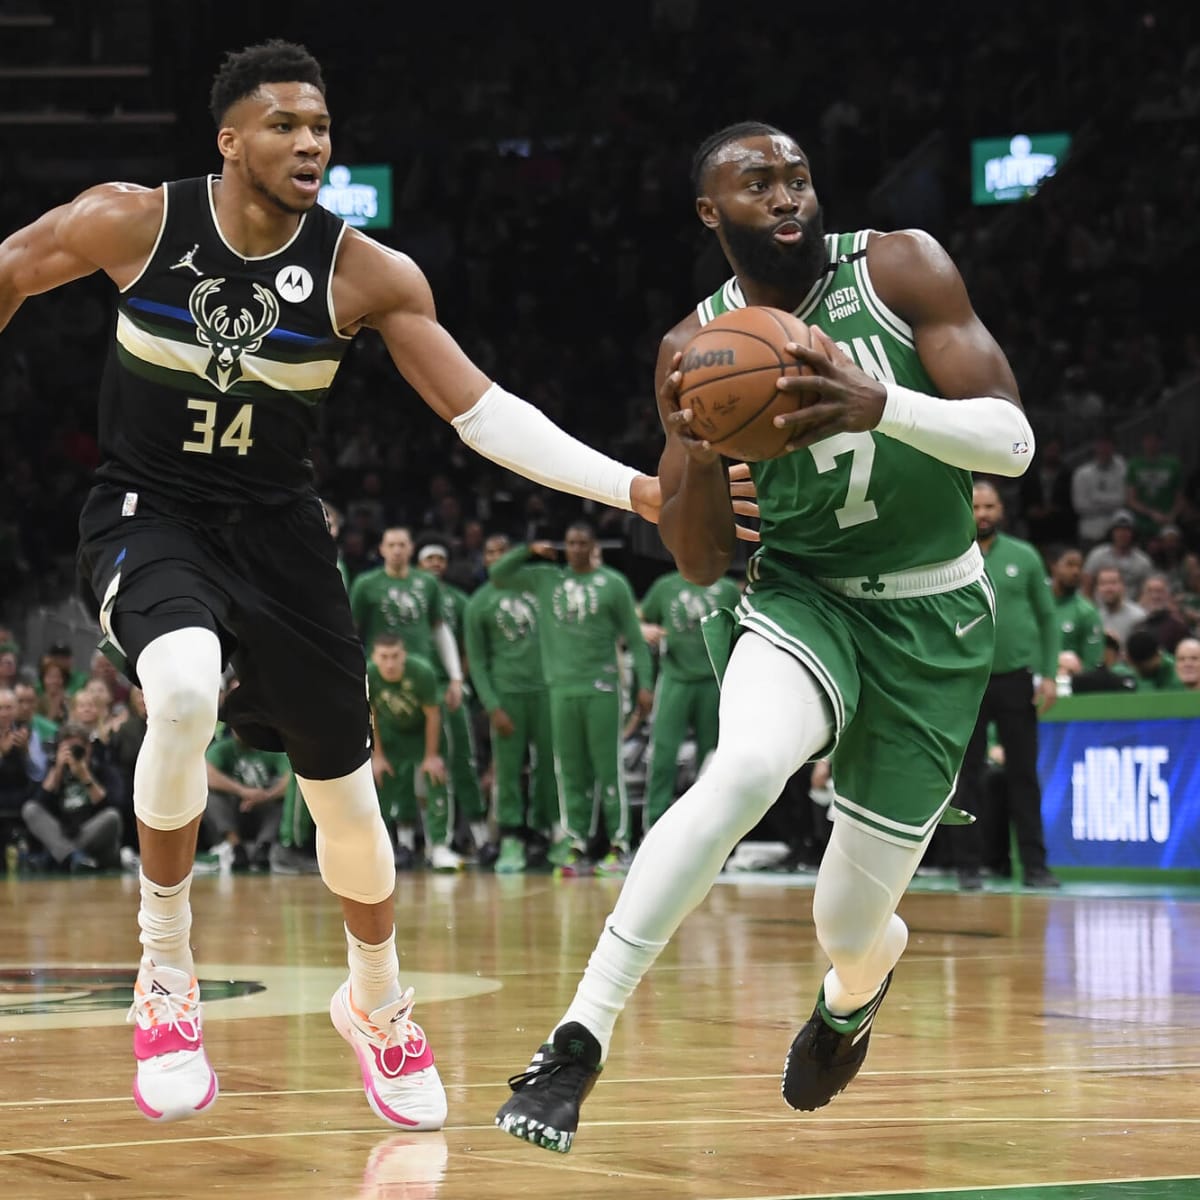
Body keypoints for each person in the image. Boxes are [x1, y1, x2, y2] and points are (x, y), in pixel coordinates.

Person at [0, 39, 663, 1128]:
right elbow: (15, 268)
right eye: (283, 125)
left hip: (283, 541)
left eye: (320, 128)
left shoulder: (366, 273)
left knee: (346, 802)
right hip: (148, 514)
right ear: (229, 140)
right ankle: (164, 975)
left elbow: (481, 413)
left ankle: (378, 1003)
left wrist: (633, 489)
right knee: (178, 689)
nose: (309, 143)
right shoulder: (135, 221)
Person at [495, 120, 1034, 1153]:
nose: (787, 195)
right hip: (804, 598)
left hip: (934, 617)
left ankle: (852, 995)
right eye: (758, 183)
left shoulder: (900, 266)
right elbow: (698, 560)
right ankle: (576, 1041)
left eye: (796, 177)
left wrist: (880, 407)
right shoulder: (693, 347)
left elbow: (1013, 440)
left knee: (848, 925)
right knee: (740, 770)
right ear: (712, 213)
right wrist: (693, 447)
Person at [488, 524, 654, 875]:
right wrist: (529, 550)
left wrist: (645, 683)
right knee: (569, 771)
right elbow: (499, 575)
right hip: (560, 689)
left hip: (602, 688)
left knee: (607, 768)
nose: (576, 548)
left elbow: (636, 639)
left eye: (583, 543)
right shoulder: (546, 578)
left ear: (593, 546)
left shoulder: (613, 583)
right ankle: (576, 842)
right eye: (571, 543)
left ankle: (618, 843)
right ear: (565, 547)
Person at [952, 481, 1059, 892]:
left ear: (1002, 510)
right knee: (968, 775)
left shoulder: (1025, 555)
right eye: (976, 506)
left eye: (990, 506)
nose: (983, 513)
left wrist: (1048, 674)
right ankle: (968, 866)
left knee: (1023, 774)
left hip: (1016, 679)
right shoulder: (950, 555)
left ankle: (1035, 865)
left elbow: (1048, 618)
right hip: (967, 680)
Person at [463, 533, 556, 874]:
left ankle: (546, 829)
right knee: (508, 769)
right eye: (492, 552)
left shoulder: (537, 586)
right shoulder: (479, 603)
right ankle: (511, 836)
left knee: (548, 764)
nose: (498, 557)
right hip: (506, 696)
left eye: (504, 550)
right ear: (484, 559)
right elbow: (476, 659)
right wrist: (491, 704)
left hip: (545, 691)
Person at [638, 568, 741, 828]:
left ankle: (713, 828)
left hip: (714, 681)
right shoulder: (665, 585)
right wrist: (643, 628)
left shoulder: (727, 588)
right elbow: (636, 620)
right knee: (662, 755)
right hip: (675, 679)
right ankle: (653, 828)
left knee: (714, 760)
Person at [415, 541, 488, 858]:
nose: (434, 563)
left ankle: (479, 837)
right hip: (411, 688)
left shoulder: (459, 601)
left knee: (460, 762)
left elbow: (467, 647)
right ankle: (416, 841)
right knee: (410, 769)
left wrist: (458, 680)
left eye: (440, 558)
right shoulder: (408, 594)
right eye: (429, 558)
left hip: (448, 689)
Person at [367, 635, 452, 870]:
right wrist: (378, 756)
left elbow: (433, 715)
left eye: (395, 656)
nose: (390, 664)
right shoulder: (369, 675)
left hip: (422, 733)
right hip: (391, 734)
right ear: (375, 658)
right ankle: (396, 846)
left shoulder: (422, 672)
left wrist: (431, 756)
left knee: (435, 777)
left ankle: (439, 846)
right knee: (385, 778)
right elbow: (370, 714)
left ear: (404, 655)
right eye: (384, 657)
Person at [21, 720, 123, 871]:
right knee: (30, 809)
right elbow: (41, 805)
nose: (74, 752)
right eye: (68, 748)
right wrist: (57, 771)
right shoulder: (54, 770)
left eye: (78, 747)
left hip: (93, 836)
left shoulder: (104, 770)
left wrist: (85, 776)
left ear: (89, 748)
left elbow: (113, 807)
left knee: (112, 816)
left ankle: (64, 856)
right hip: (62, 832)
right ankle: (73, 856)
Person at [1047, 545, 1104, 671]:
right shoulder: (1034, 605)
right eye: (1070, 565)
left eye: (1079, 566)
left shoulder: (1087, 612)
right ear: (1053, 566)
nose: (1076, 572)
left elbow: (1092, 664)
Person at [1091, 564, 1147, 650]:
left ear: (1122, 586)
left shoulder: (1138, 617)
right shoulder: (1095, 617)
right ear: (1097, 588)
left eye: (1113, 583)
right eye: (1103, 584)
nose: (1108, 588)